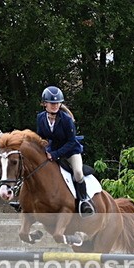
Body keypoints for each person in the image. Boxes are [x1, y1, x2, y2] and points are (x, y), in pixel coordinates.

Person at [35, 86, 93, 215]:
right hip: (52, 150)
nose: (55, 106)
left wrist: (55, 154)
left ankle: (84, 200)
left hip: (71, 151)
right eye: (52, 103)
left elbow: (71, 142)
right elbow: (41, 137)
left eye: (57, 103)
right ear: (45, 104)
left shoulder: (66, 120)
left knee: (78, 172)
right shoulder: (40, 118)